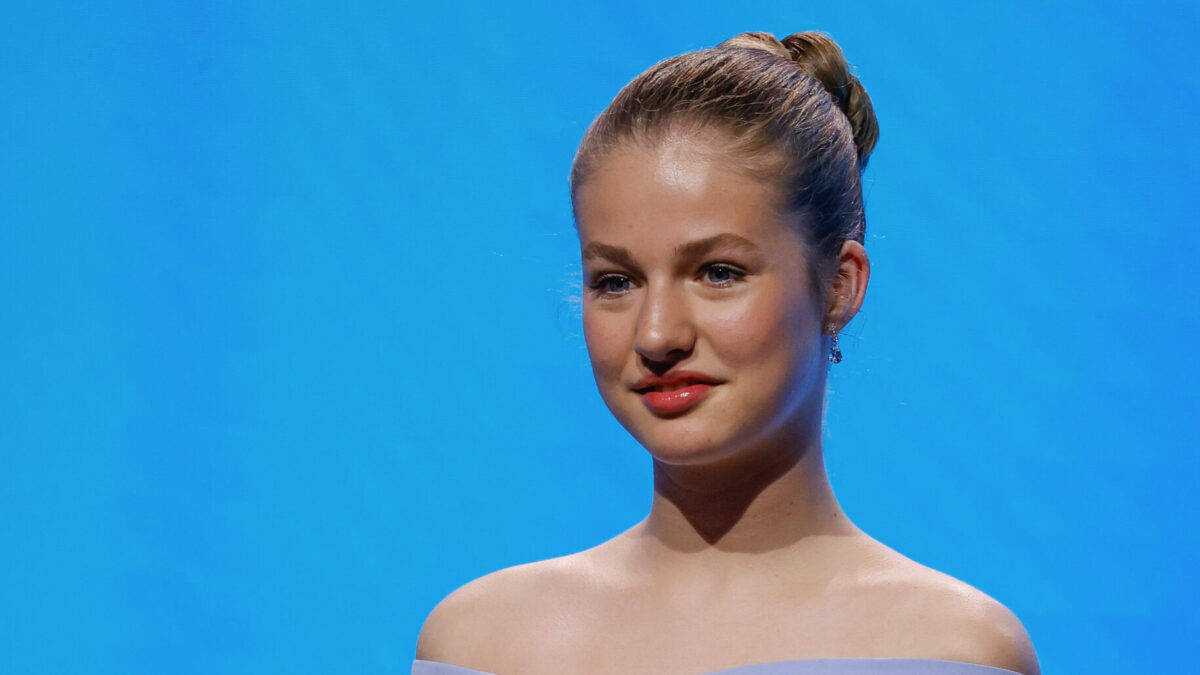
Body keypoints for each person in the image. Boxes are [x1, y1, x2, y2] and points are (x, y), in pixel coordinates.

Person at [413, 30, 1040, 675]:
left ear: (839, 285)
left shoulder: (952, 651)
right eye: (617, 282)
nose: (656, 336)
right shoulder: (478, 644)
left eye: (718, 272)